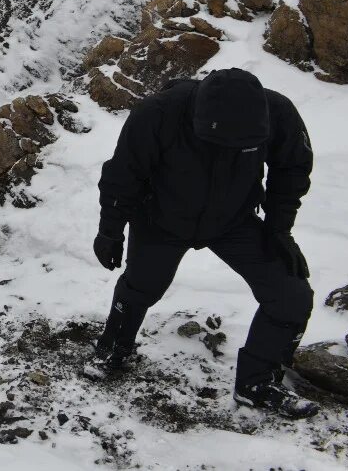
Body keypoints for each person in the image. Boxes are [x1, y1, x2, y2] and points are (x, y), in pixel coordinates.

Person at [84, 68, 318, 418]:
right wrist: (110, 230)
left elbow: (292, 170)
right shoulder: (158, 113)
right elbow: (123, 174)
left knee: (292, 295)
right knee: (141, 288)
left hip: (233, 220)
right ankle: (113, 349)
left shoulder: (277, 113)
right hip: (161, 218)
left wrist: (279, 229)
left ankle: (256, 384)